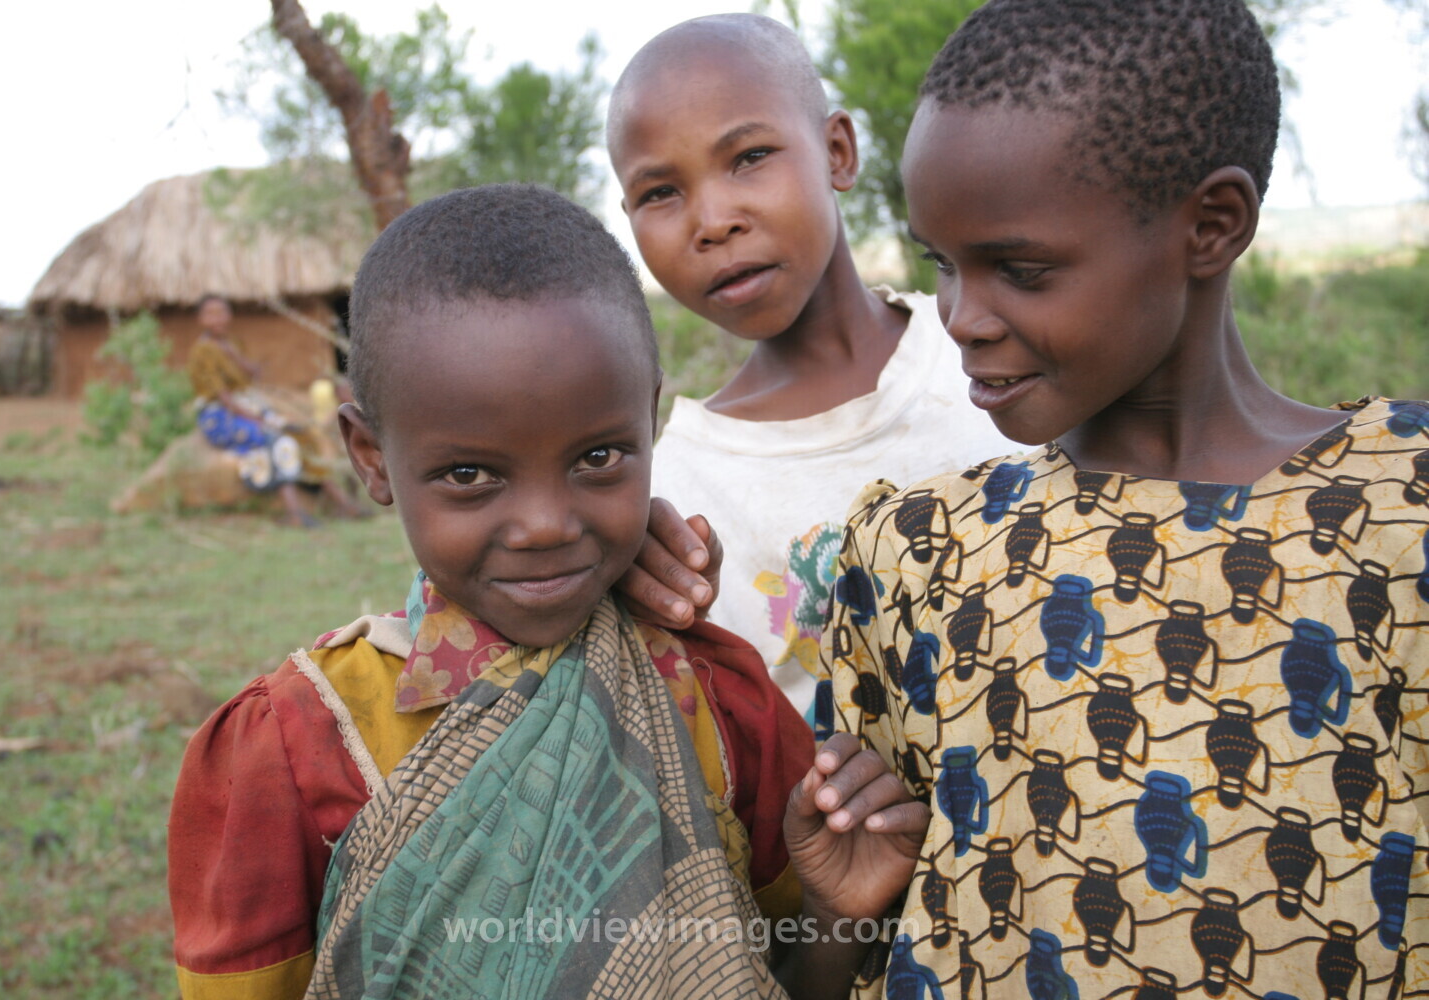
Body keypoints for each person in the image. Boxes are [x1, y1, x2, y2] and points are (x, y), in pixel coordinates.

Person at [168, 185, 927, 1000]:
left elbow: (772, 977)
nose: (544, 525)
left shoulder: (720, 699)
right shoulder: (297, 745)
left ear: (648, 414)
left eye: (598, 458)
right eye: (469, 475)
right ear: (368, 455)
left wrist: (833, 914)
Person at [828, 1, 1429, 996]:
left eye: (1020, 269)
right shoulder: (917, 550)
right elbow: (858, 911)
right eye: (941, 263)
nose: (961, 317)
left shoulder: (1403, 507)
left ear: (1211, 225)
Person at [604, 14, 1015, 725]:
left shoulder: (989, 353)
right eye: (660, 193)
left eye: (749, 156)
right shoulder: (672, 498)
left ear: (837, 152)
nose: (712, 220)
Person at [186, 294, 361, 526]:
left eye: (222, 312)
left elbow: (251, 376)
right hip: (220, 415)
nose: (218, 319)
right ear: (200, 319)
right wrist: (259, 420)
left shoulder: (233, 343)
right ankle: (293, 512)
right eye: (211, 314)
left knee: (300, 434)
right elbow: (224, 397)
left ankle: (342, 503)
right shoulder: (201, 352)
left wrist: (232, 354)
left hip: (247, 404)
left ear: (229, 315)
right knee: (276, 440)